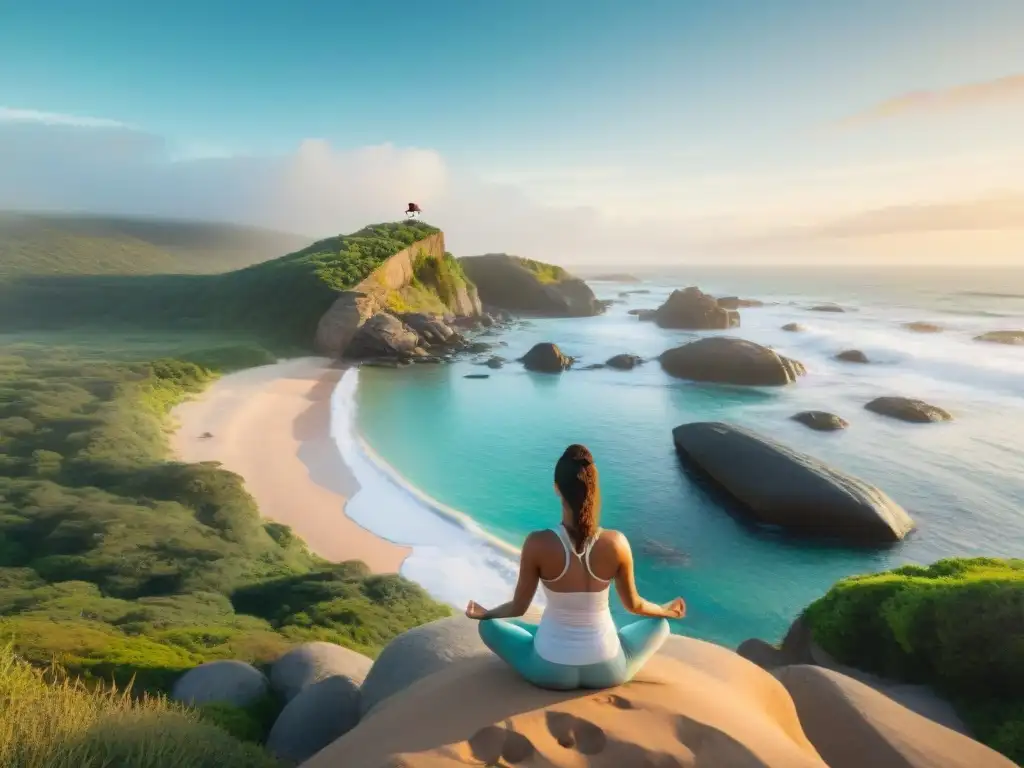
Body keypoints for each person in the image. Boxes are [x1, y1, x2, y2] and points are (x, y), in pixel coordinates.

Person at [465, 444, 685, 690]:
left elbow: (518, 607)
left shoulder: (538, 543)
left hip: (548, 669)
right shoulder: (617, 543)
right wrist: (665, 611)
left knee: (488, 626)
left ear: (557, 489)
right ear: (594, 489)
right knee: (660, 625)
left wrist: (486, 614)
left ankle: (540, 635)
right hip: (608, 669)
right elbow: (634, 605)